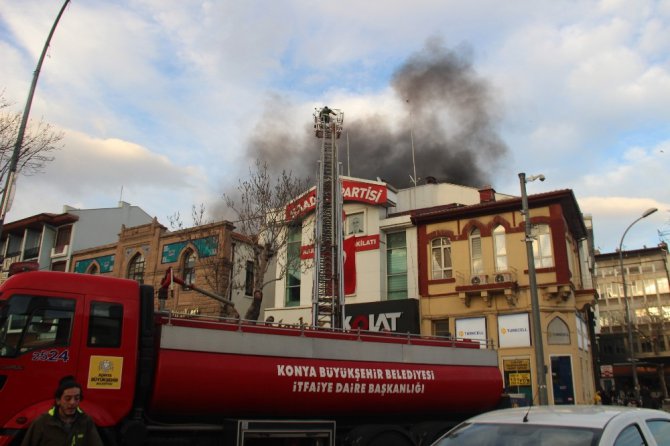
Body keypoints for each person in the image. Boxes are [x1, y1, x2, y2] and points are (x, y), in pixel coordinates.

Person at [21, 376, 103, 446]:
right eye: (67, 398)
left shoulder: (86, 421)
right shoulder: (42, 422)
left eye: (77, 398)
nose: (72, 402)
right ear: (58, 400)